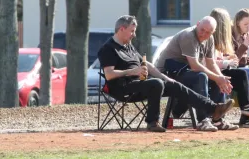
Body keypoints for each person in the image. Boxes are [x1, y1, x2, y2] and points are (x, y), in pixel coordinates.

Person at [98, 15, 235, 132]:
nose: (134, 34)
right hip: (121, 88)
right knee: (156, 83)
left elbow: (148, 65)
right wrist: (132, 71)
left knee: (174, 84)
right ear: (122, 29)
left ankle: (213, 108)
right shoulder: (108, 48)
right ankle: (152, 122)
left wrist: (165, 77)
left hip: (139, 84)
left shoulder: (128, 45)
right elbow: (109, 75)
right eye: (132, 31)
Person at [155, 16, 241, 131]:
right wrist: (217, 77)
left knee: (215, 79)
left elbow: (211, 64)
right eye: (202, 30)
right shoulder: (188, 36)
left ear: (213, 32)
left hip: (186, 72)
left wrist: (220, 78)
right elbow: (195, 66)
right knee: (201, 76)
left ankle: (217, 119)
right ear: (197, 24)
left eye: (208, 32)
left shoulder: (210, 39)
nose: (203, 34)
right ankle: (203, 120)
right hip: (167, 74)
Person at [208, 8, 249, 128]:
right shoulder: (226, 36)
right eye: (246, 24)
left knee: (246, 74)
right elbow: (233, 61)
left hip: (220, 68)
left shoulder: (232, 36)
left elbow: (227, 58)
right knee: (242, 74)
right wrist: (229, 60)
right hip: (212, 70)